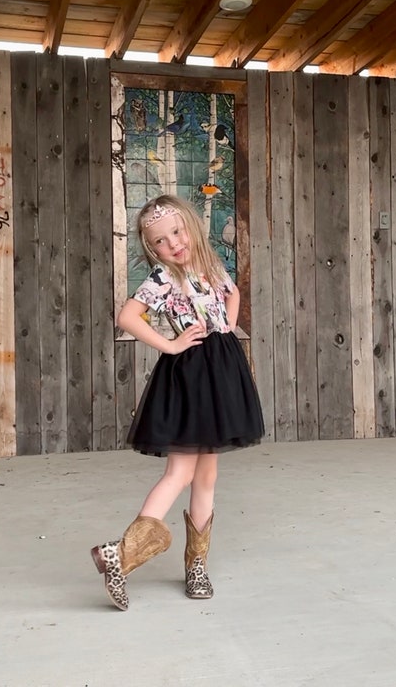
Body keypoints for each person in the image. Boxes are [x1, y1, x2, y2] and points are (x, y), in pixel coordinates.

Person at [91, 195, 264, 611]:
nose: (173, 243)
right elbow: (127, 317)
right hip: (192, 376)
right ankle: (121, 554)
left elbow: (232, 292)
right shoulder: (163, 277)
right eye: (161, 240)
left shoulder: (209, 264)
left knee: (206, 478)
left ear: (190, 226)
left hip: (221, 372)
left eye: (177, 232)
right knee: (181, 472)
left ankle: (196, 565)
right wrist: (170, 345)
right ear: (153, 248)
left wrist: (225, 326)